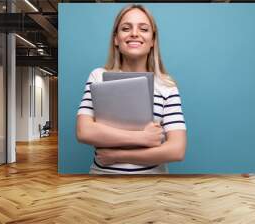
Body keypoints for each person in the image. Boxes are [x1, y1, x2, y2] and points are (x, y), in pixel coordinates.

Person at [76, 4, 187, 174]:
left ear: (152, 41)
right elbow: (84, 131)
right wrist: (143, 137)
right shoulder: (98, 76)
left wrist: (118, 155)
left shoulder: (167, 85)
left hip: (154, 185)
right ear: (116, 39)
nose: (134, 33)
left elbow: (177, 149)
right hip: (103, 181)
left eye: (143, 29)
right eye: (126, 28)